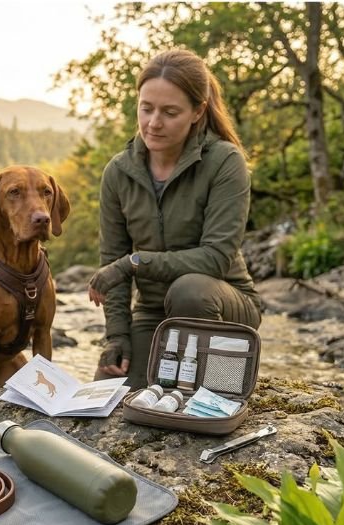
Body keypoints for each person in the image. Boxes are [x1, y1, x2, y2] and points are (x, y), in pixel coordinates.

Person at [87, 48, 262, 389]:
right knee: (107, 401)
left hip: (220, 303)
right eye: (146, 108)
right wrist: (117, 335)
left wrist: (134, 263)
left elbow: (215, 258)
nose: (154, 123)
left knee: (190, 291)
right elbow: (111, 258)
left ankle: (221, 383)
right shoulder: (118, 173)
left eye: (170, 112)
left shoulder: (225, 162)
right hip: (152, 312)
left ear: (198, 111)